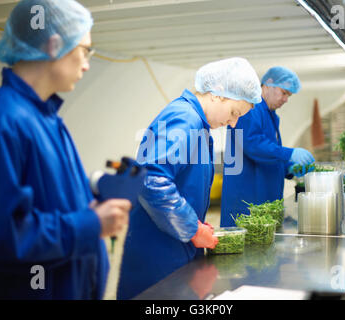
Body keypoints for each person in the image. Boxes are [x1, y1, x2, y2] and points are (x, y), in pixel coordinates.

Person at [0, 0, 130, 299]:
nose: (87, 63)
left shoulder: (48, 120)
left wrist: (94, 206)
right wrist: (91, 223)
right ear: (54, 45)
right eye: (85, 50)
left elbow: (48, 205)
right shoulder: (1, 124)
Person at [117, 57, 262, 300]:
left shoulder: (198, 126)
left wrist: (196, 228)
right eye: (234, 112)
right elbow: (151, 178)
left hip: (175, 244)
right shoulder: (184, 119)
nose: (232, 123)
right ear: (217, 94)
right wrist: (193, 229)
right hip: (158, 252)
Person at [220, 66, 315, 227]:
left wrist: (289, 168)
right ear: (267, 85)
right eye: (284, 93)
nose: (286, 99)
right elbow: (253, 144)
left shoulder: (271, 116)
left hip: (265, 196)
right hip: (247, 197)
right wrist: (288, 153)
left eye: (289, 96)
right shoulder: (249, 108)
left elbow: (269, 153)